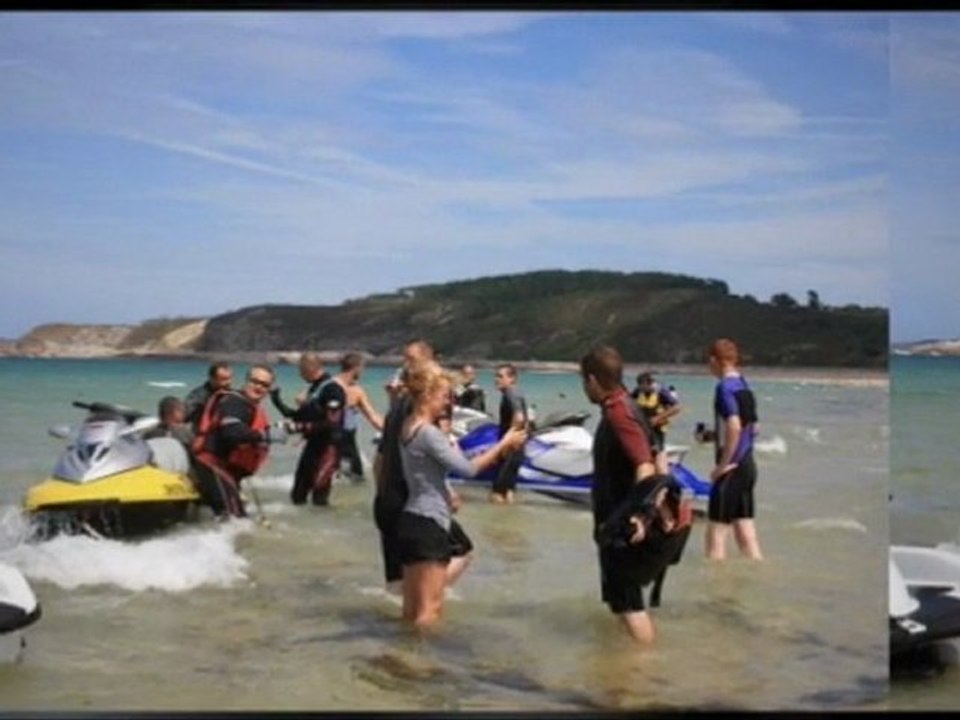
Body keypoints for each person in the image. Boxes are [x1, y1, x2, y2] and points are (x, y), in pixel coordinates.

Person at [397, 361, 526, 628]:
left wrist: (447, 490)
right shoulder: (429, 434)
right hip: (430, 523)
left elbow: (427, 473)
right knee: (429, 613)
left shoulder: (407, 425)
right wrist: (504, 444)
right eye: (444, 396)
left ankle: (402, 661)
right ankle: (421, 667)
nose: (447, 403)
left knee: (411, 610)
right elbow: (468, 469)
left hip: (410, 520)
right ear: (427, 395)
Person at [580, 345, 691, 645]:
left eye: (583, 381)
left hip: (624, 527)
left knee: (630, 606)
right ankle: (622, 672)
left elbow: (644, 465)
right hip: (617, 523)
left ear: (592, 380)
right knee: (622, 603)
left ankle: (645, 674)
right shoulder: (629, 406)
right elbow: (660, 458)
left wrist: (640, 517)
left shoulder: (619, 415)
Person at [373, 339, 436, 595]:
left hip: (392, 496)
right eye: (405, 359)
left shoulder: (400, 403)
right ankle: (425, 606)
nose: (405, 366)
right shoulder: (413, 405)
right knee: (459, 551)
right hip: (404, 497)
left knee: (398, 575)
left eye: (411, 360)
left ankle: (400, 625)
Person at [190, 364, 286, 519]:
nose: (259, 387)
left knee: (234, 515)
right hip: (213, 465)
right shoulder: (234, 402)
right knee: (234, 519)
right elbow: (232, 433)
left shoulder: (249, 406)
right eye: (255, 381)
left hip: (225, 468)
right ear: (246, 381)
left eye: (264, 385)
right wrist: (264, 435)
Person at [706, 338, 763, 561]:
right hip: (748, 466)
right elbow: (753, 428)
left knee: (716, 535)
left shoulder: (724, 388)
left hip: (731, 469)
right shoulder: (744, 386)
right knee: (746, 532)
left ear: (714, 360)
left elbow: (734, 425)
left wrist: (721, 467)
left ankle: (715, 592)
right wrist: (713, 435)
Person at [271, 352, 346, 507]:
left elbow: (332, 421)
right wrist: (276, 400)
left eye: (300, 370)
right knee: (298, 494)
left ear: (309, 368)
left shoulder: (333, 389)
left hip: (328, 448)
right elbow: (296, 417)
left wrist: (299, 427)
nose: (299, 374)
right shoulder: (314, 389)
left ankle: (327, 526)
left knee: (319, 496)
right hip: (313, 446)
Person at [337, 352, 384, 481]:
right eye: (362, 368)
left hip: (327, 442)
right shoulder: (356, 391)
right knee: (356, 480)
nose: (362, 372)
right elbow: (373, 417)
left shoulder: (328, 384)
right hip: (346, 443)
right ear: (356, 368)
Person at [490, 363, 529, 504]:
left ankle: (495, 525)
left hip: (512, 448)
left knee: (496, 494)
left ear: (512, 378)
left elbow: (519, 417)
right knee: (508, 492)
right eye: (496, 376)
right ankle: (510, 522)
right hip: (517, 448)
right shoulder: (516, 392)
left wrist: (506, 443)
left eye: (500, 376)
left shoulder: (511, 393)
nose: (496, 379)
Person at [630, 372, 681, 455]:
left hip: (658, 428)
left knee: (656, 450)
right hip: (643, 426)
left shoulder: (661, 391)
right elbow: (629, 402)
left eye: (643, 386)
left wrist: (658, 418)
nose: (641, 388)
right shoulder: (638, 391)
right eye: (639, 386)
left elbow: (676, 408)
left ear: (649, 384)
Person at [184, 361, 233, 431]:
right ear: (212, 379)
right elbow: (186, 417)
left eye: (230, 378)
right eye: (223, 379)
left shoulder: (231, 394)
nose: (228, 382)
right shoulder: (197, 396)